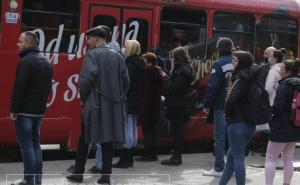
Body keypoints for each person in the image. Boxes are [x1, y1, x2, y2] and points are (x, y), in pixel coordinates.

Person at [66, 26, 130, 185]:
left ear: (97, 38)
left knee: (84, 138)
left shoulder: (92, 55)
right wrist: (118, 96)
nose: (87, 42)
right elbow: (126, 81)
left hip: (94, 104)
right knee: (107, 141)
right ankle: (106, 177)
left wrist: (83, 98)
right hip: (113, 105)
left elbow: (86, 81)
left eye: (89, 38)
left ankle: (78, 173)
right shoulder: (118, 56)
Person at [10, 31, 53, 185]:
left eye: (20, 41)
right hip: (39, 111)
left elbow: (19, 88)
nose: (17, 44)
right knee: (36, 143)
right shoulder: (46, 61)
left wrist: (14, 110)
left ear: (28, 44)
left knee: (26, 144)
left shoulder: (25, 62)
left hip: (24, 111)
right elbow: (48, 88)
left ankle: (28, 179)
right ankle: (37, 179)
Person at [219, 51, 258, 185]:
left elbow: (231, 100)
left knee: (238, 159)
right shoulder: (253, 77)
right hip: (250, 125)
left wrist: (226, 113)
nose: (232, 63)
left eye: (235, 61)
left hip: (237, 124)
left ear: (241, 62)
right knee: (231, 159)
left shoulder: (241, 78)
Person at [265, 61, 300, 185]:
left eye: (282, 68)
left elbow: (278, 108)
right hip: (295, 125)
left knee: (270, 158)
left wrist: (269, 111)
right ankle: (287, 183)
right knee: (288, 157)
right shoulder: (298, 84)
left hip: (281, 126)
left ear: (288, 72)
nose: (280, 70)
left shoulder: (284, 85)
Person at [203, 37, 234, 176]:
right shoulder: (236, 62)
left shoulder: (219, 63)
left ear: (219, 48)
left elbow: (213, 86)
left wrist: (207, 103)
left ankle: (219, 168)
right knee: (233, 137)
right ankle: (233, 167)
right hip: (235, 106)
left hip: (221, 105)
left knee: (219, 137)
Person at [113, 40, 145, 168]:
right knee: (132, 128)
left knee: (127, 128)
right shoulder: (140, 63)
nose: (123, 49)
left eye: (125, 47)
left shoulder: (130, 64)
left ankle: (126, 158)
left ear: (130, 49)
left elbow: (126, 82)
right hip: (136, 98)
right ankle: (129, 157)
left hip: (129, 99)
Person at [160, 46, 194, 166]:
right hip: (180, 103)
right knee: (178, 129)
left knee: (177, 130)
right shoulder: (186, 69)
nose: (172, 60)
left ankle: (176, 157)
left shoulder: (182, 71)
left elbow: (174, 88)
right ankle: (176, 155)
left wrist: (165, 77)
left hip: (177, 104)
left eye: (173, 57)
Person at [135, 52, 163, 162]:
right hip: (155, 105)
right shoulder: (158, 72)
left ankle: (147, 155)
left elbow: (146, 91)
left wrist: (142, 105)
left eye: (144, 61)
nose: (143, 62)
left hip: (147, 106)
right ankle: (153, 154)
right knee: (152, 130)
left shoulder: (148, 72)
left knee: (147, 131)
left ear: (149, 62)